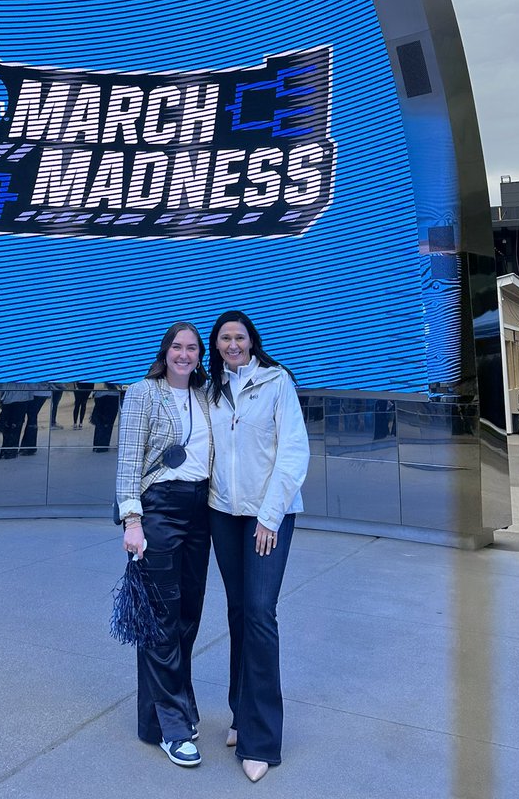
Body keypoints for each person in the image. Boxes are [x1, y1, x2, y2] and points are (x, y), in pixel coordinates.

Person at [207, 310, 309, 783]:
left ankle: (261, 739)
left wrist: (269, 516)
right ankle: (240, 713)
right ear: (217, 345)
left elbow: (293, 451)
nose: (233, 344)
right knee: (237, 611)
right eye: (224, 338)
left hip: (269, 516)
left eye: (239, 337)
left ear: (252, 341)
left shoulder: (276, 382)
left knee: (260, 613)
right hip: (223, 515)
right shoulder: (211, 390)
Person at [115, 322, 213, 768]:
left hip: (202, 509)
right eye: (178, 346)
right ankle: (172, 727)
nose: (185, 354)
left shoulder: (207, 394)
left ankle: (166, 712)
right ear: (165, 350)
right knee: (161, 616)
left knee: (188, 614)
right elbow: (129, 460)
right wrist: (132, 520)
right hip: (159, 509)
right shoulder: (142, 393)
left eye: (192, 348)